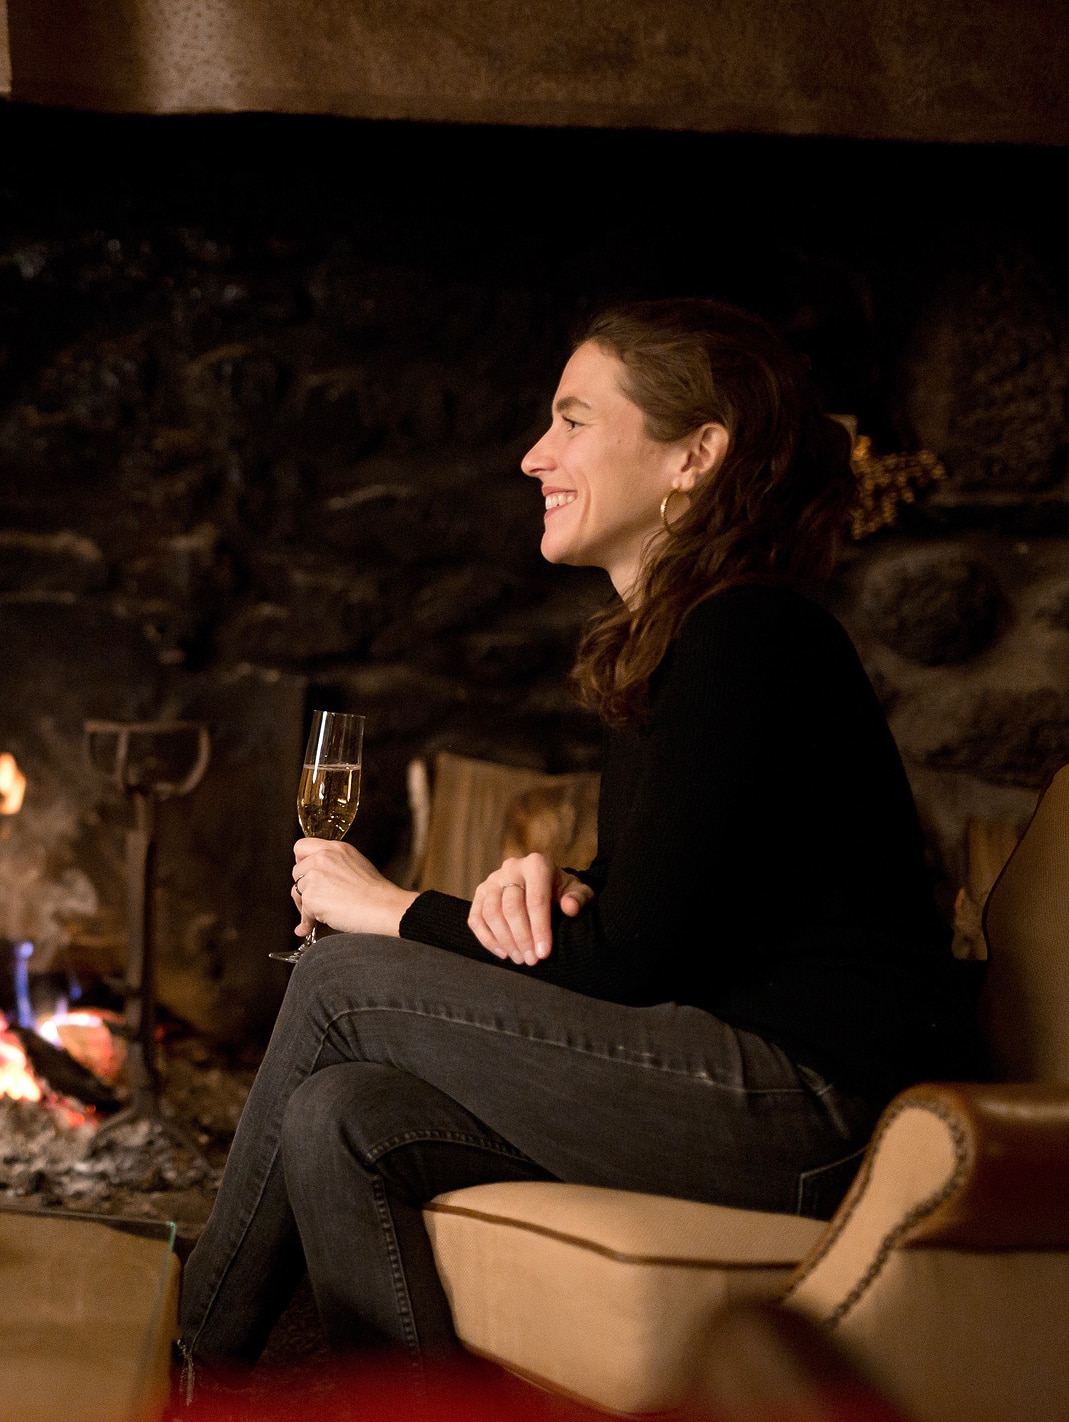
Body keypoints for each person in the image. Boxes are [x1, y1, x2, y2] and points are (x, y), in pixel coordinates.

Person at [179, 299, 974, 1370]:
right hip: (742, 1077)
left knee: (342, 980)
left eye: (574, 421)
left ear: (696, 455)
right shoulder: (686, 638)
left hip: (810, 1115)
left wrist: (390, 909)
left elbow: (640, 960)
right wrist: (567, 887)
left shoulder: (748, 635)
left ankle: (179, 1363)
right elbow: (677, 905)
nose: (532, 455)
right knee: (340, 1114)